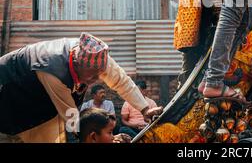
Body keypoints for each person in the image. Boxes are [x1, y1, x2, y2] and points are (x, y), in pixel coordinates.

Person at [0, 33, 163, 143]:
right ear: (76, 64)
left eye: (99, 74)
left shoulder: (100, 59)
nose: (95, 80)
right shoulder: (53, 70)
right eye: (91, 75)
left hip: (42, 97)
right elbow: (70, 116)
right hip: (10, 89)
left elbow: (123, 81)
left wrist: (144, 109)